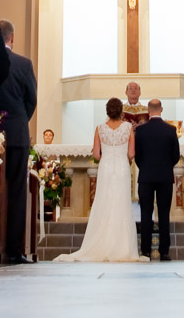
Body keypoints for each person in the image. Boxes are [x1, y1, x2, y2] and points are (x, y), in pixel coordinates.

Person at [52, 97, 147, 263]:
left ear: (107, 111)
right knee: (121, 204)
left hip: (106, 168)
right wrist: (124, 158)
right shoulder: (127, 128)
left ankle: (100, 244)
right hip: (122, 168)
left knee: (103, 202)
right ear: (121, 111)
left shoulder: (100, 129)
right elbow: (131, 153)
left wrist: (108, 157)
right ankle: (122, 247)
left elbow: (96, 154)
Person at [0, 19, 38, 264]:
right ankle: (14, 249)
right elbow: (31, 99)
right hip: (17, 132)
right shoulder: (23, 63)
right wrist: (19, 120)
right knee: (17, 190)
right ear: (12, 38)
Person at [133, 98, 182, 261]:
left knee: (146, 213)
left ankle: (145, 251)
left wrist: (146, 167)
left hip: (146, 176)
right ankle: (164, 251)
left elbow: (137, 157)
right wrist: (166, 166)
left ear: (148, 110)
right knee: (164, 214)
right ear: (161, 109)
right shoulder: (170, 130)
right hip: (165, 177)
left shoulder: (140, 131)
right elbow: (176, 155)